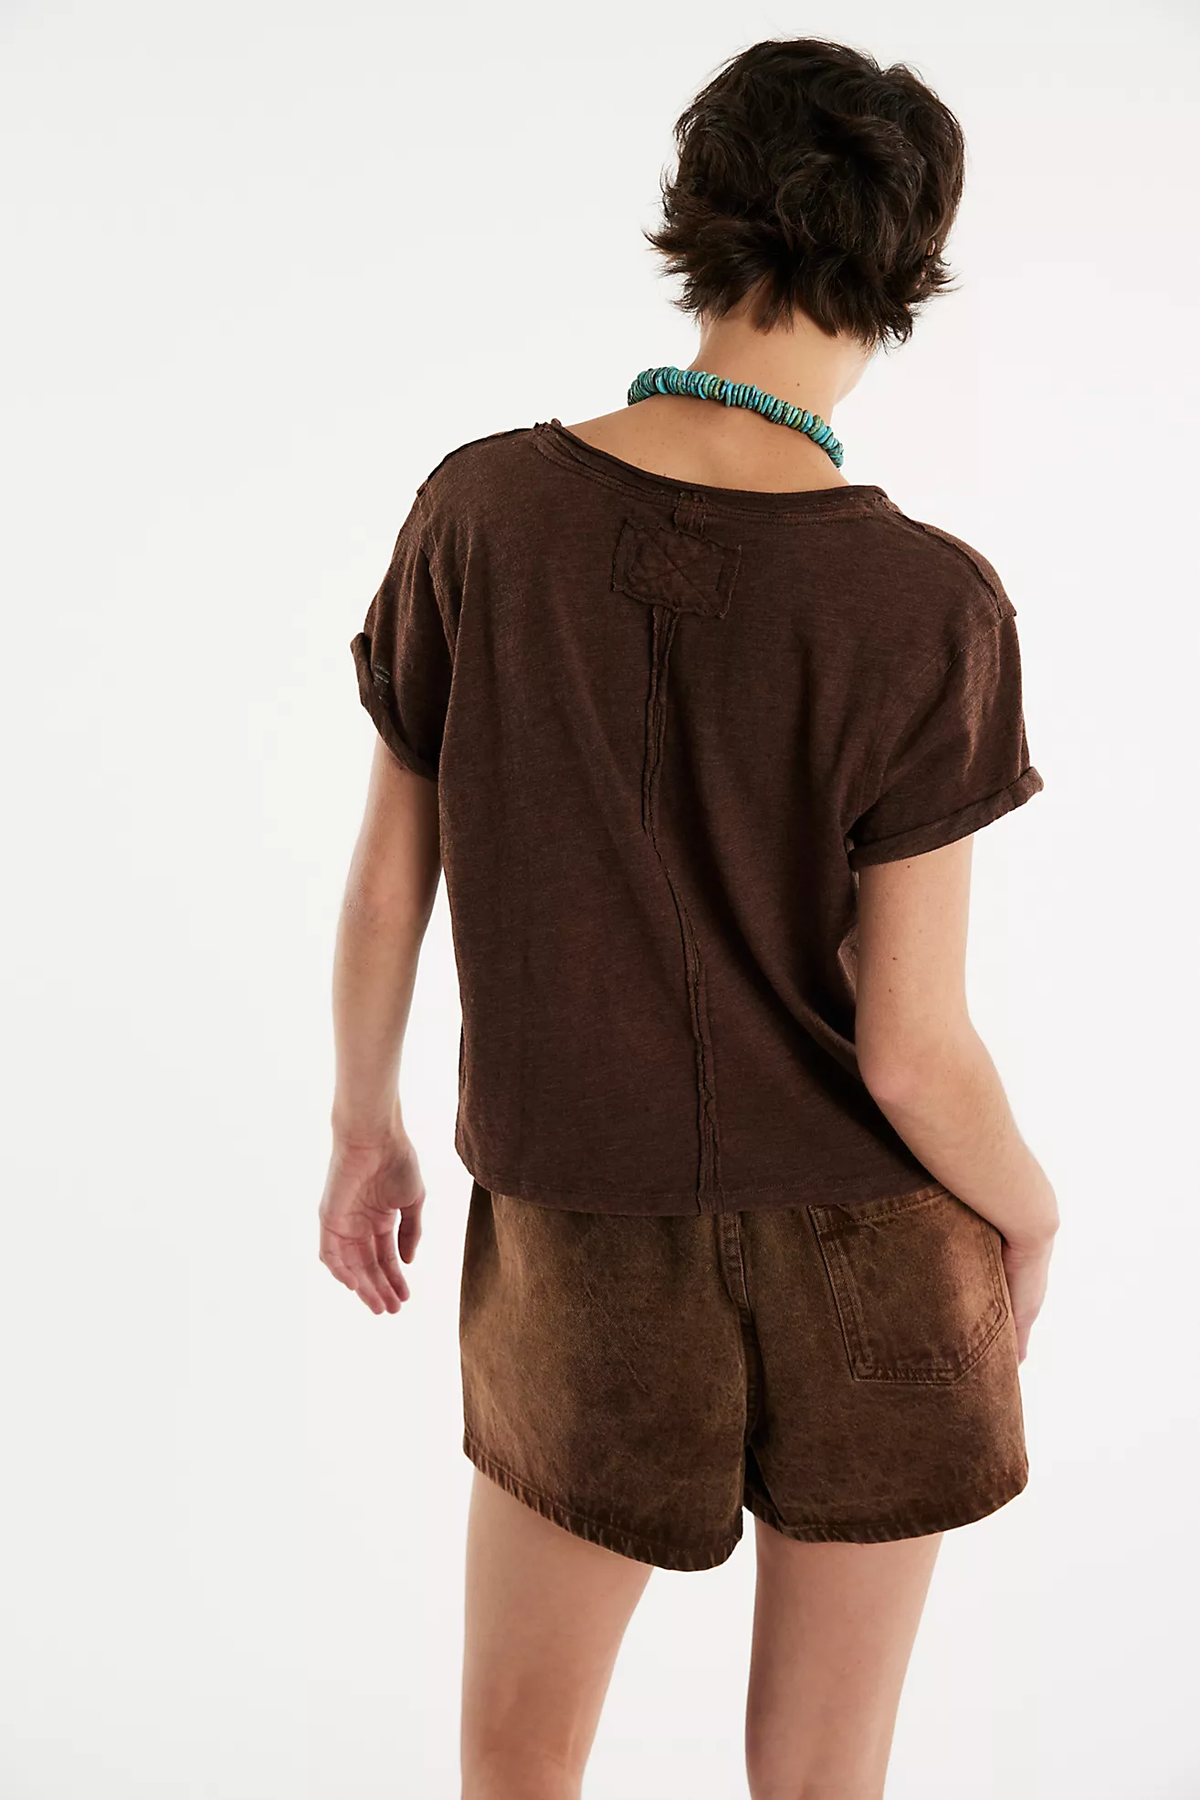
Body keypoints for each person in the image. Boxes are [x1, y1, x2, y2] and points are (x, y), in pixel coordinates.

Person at [318, 34, 1059, 1800]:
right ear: (909, 263)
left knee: (518, 1760)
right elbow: (913, 1045)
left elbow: (391, 874)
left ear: (697, 216)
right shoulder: (927, 604)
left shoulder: (483, 514)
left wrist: (365, 1121)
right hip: (877, 1250)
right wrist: (1029, 1213)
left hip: (585, 1234)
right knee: (822, 1778)